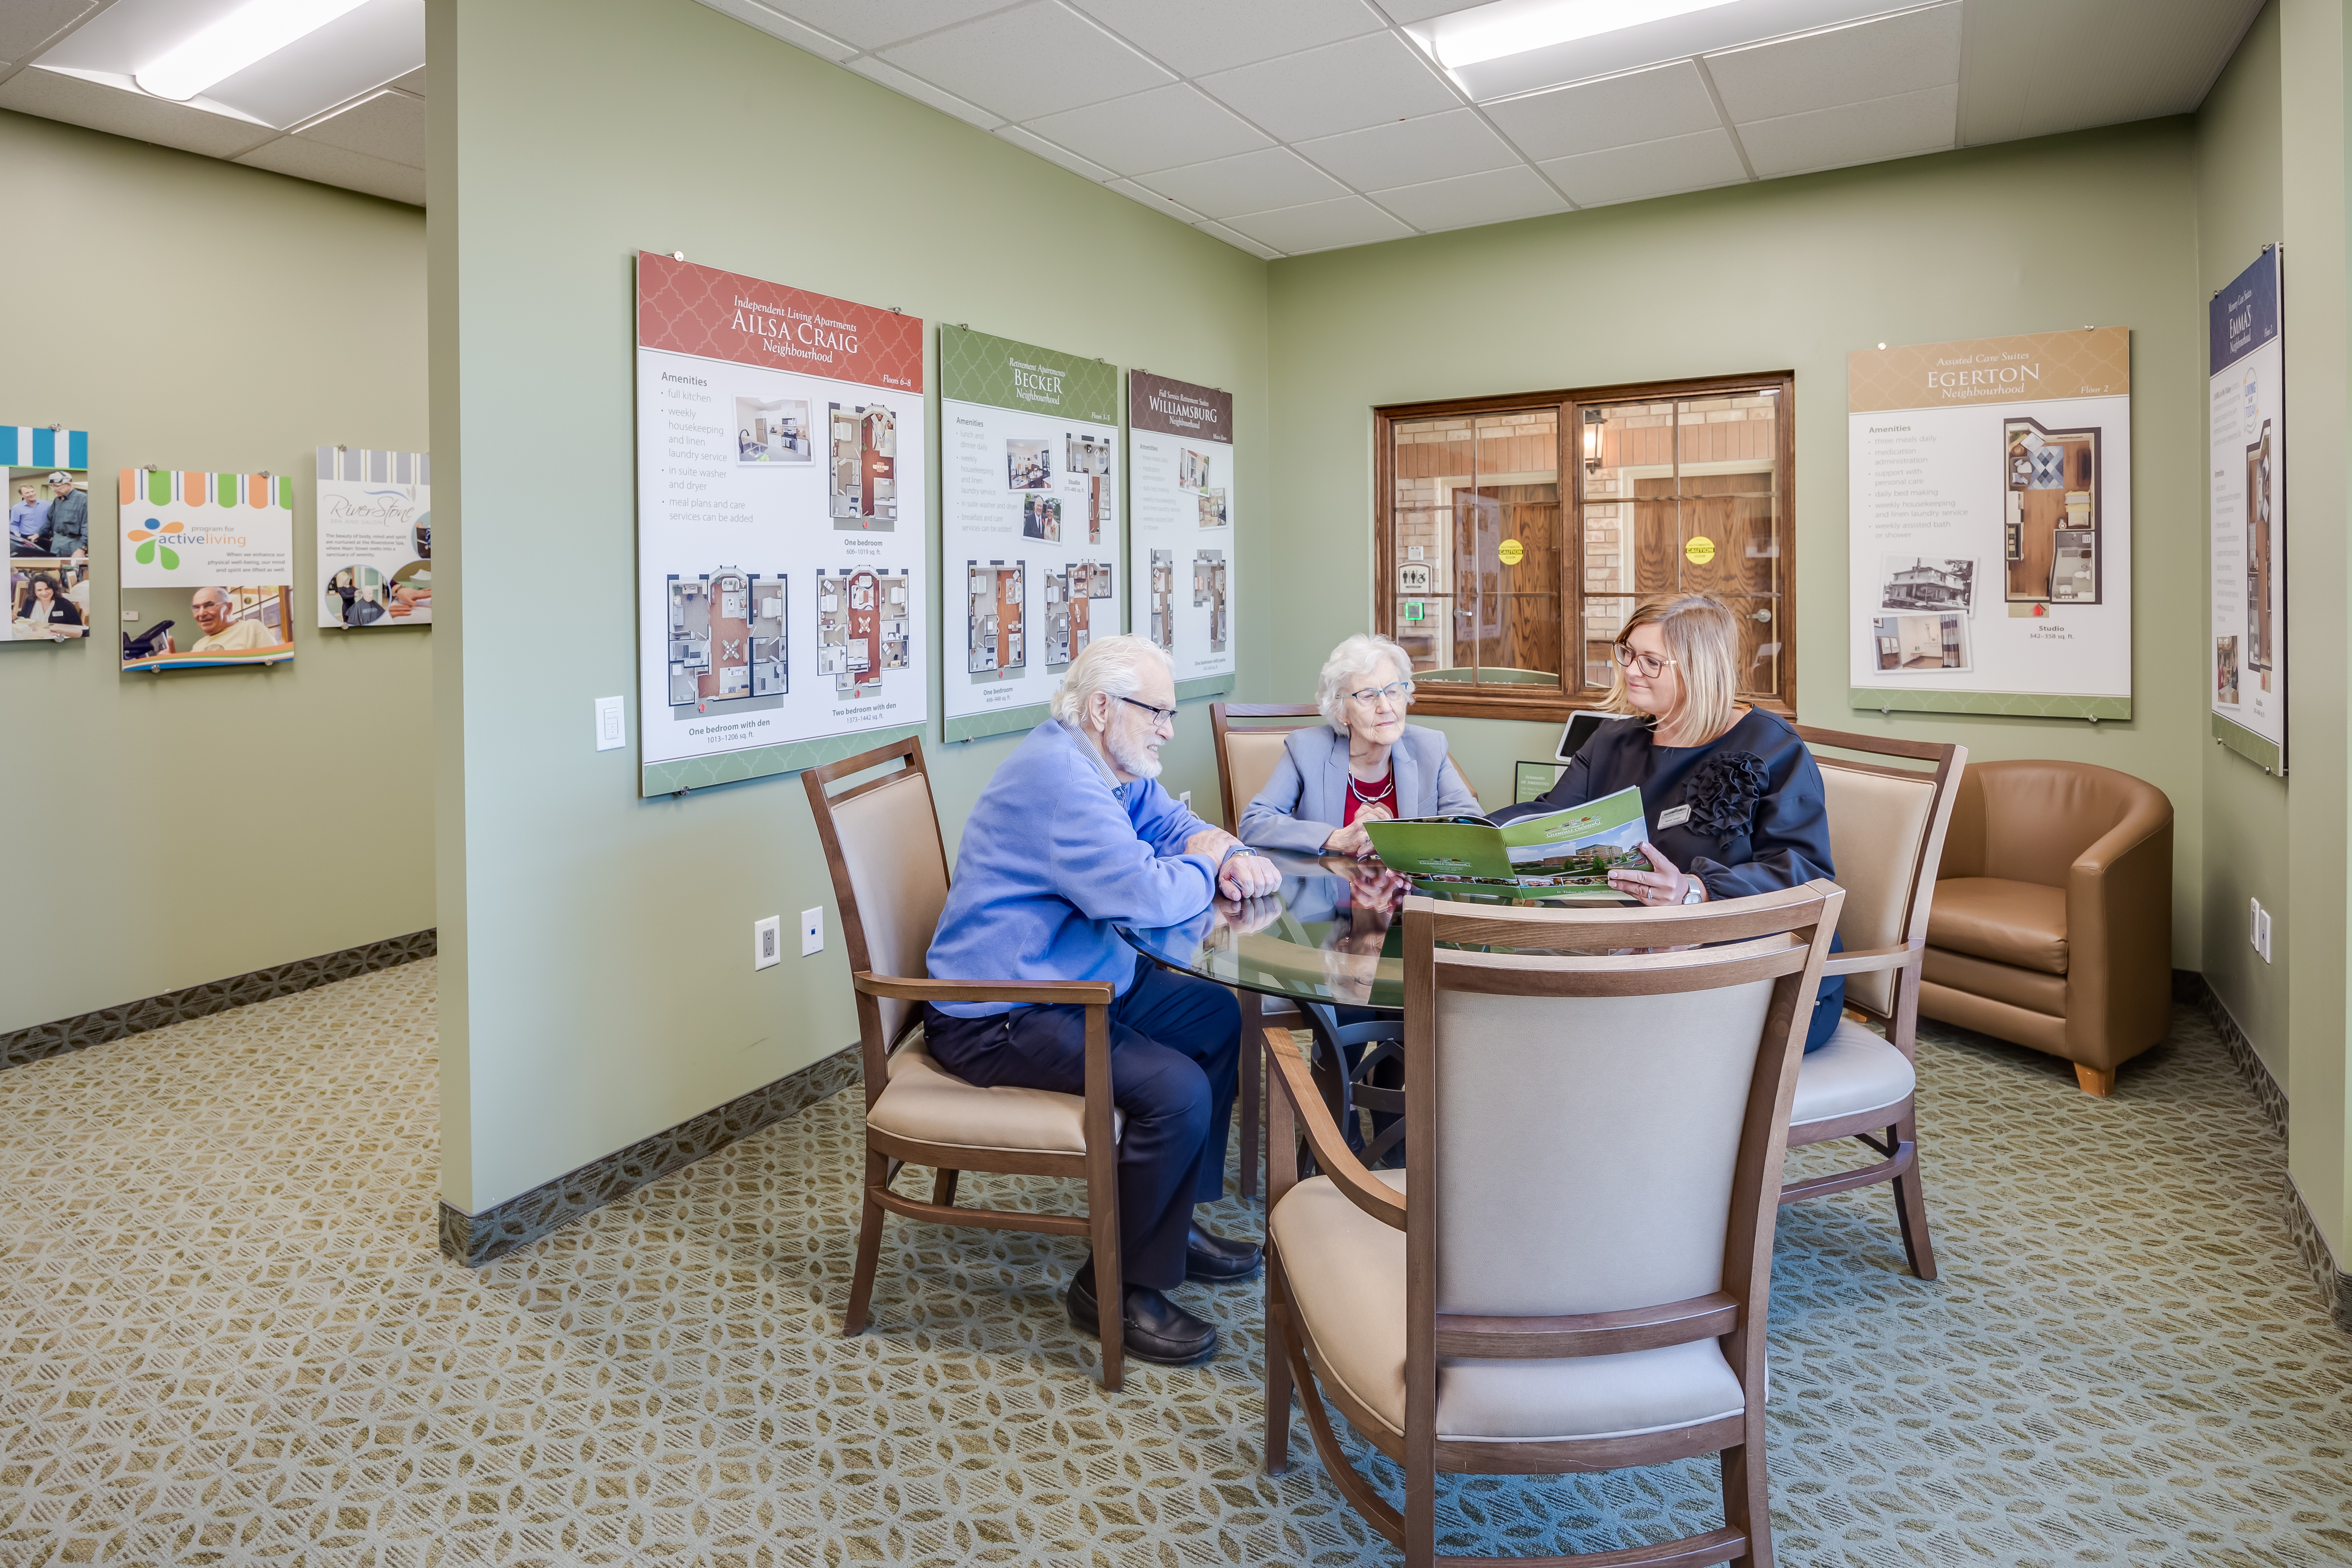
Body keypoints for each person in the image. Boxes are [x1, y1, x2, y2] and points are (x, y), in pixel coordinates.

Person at [924, 634, 1281, 1368]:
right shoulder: (1063, 782)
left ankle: (1169, 1220)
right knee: (1177, 1092)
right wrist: (1204, 867)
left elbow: (1174, 826)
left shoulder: (1109, 764)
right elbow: (1146, 893)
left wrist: (1229, 853)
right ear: (1100, 708)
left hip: (1078, 979)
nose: (1169, 729)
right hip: (998, 1012)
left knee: (1216, 1018)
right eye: (1157, 712)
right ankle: (1114, 1288)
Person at [1495, 591, 1845, 1049]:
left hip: (1762, 969)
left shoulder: (1773, 748)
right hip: (1637, 952)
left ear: (1699, 668)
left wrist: (1692, 892)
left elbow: (1804, 873)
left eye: (1651, 662)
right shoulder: (1614, 740)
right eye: (1627, 653)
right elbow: (1549, 816)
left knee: (1562, 1029)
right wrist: (1464, 833)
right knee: (1504, 998)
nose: (1630, 670)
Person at [1238, 631, 1480, 857]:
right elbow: (1254, 823)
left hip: (1412, 898)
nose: (1386, 707)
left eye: (1393, 691)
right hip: (1330, 895)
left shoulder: (1429, 747)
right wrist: (1335, 838)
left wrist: (1400, 841)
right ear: (1340, 711)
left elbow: (1475, 828)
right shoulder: (1306, 750)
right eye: (1368, 696)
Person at [172, 586, 278, 654]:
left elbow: (275, 669)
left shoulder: (251, 629)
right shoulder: (198, 646)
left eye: (209, 606)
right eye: (196, 608)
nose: (201, 614)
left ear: (229, 608)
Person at [16, 573, 83, 637]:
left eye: (47, 589)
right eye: (40, 590)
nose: (44, 593)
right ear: (34, 592)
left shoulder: (65, 604)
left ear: (53, 589)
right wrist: (15, 617)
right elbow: (23, 619)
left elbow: (79, 628)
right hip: (34, 637)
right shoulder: (30, 601)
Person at [43, 472, 88, 561]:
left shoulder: (84, 499)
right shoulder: (57, 500)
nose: (53, 489)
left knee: (72, 572)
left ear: (68, 485)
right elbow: (49, 521)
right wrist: (38, 534)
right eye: (52, 486)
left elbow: (88, 526)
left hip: (74, 543)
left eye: (56, 486)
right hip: (57, 543)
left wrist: (81, 549)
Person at [9, 483, 50, 555]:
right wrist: (18, 536)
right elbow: (13, 524)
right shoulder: (17, 508)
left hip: (45, 538)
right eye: (27, 493)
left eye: (32, 491)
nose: (31, 494)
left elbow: (52, 520)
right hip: (28, 539)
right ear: (21, 495)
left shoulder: (47, 505)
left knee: (46, 560)